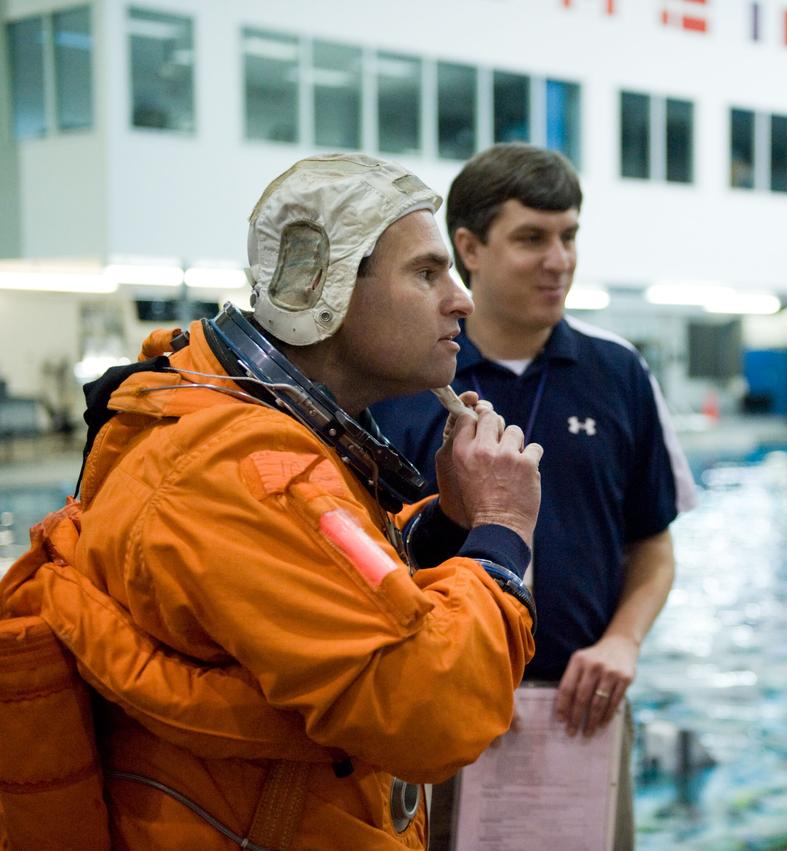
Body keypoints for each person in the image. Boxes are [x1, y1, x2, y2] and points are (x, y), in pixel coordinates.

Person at [0, 153, 543, 849]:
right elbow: (431, 713)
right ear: (330, 292)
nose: (461, 299)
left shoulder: (237, 422)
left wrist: (446, 525)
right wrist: (501, 535)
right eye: (427, 273)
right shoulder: (244, 471)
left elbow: (323, 584)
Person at [373, 143, 695, 848]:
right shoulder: (405, 383)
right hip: (438, 711)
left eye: (569, 236)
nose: (559, 259)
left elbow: (652, 543)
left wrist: (623, 641)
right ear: (470, 248)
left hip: (580, 711)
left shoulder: (619, 373)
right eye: (531, 238)